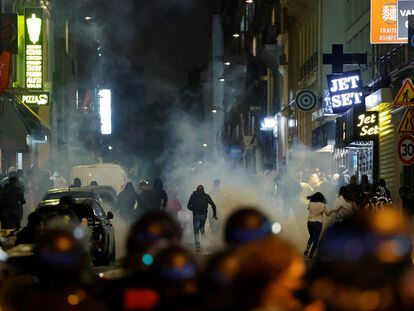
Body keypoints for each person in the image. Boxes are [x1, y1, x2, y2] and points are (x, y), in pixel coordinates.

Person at [187, 185, 217, 252]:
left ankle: (198, 248)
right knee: (201, 228)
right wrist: (214, 214)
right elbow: (213, 205)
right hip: (204, 215)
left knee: (196, 232)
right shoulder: (206, 196)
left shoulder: (193, 195)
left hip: (196, 215)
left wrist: (194, 209)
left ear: (197, 189)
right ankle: (204, 245)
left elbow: (188, 206)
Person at [304, 192, 331, 259]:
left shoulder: (310, 203)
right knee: (316, 239)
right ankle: (311, 254)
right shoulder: (322, 205)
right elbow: (327, 214)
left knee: (311, 237)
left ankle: (307, 250)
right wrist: (332, 210)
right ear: (321, 198)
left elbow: (308, 209)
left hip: (309, 223)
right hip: (318, 224)